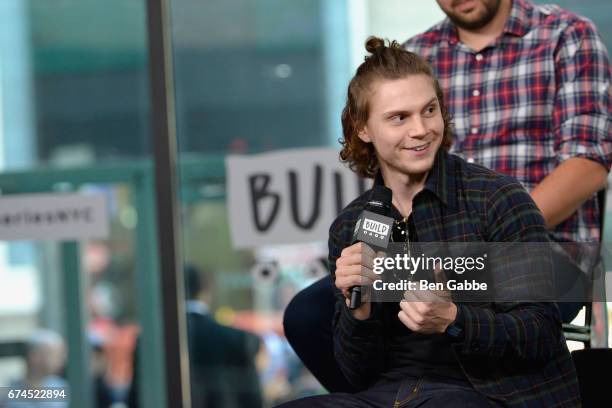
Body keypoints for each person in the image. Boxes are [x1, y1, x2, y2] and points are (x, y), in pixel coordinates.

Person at [283, 0, 611, 394]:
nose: (419, 129)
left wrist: (487, 229)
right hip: (429, 239)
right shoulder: (418, 51)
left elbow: (588, 163)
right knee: (311, 313)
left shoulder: (566, 36)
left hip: (536, 247)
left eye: (429, 112)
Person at [128, 265, 263, 408]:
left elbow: (137, 397)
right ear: (205, 292)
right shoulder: (234, 339)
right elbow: (252, 397)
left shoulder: (149, 341)